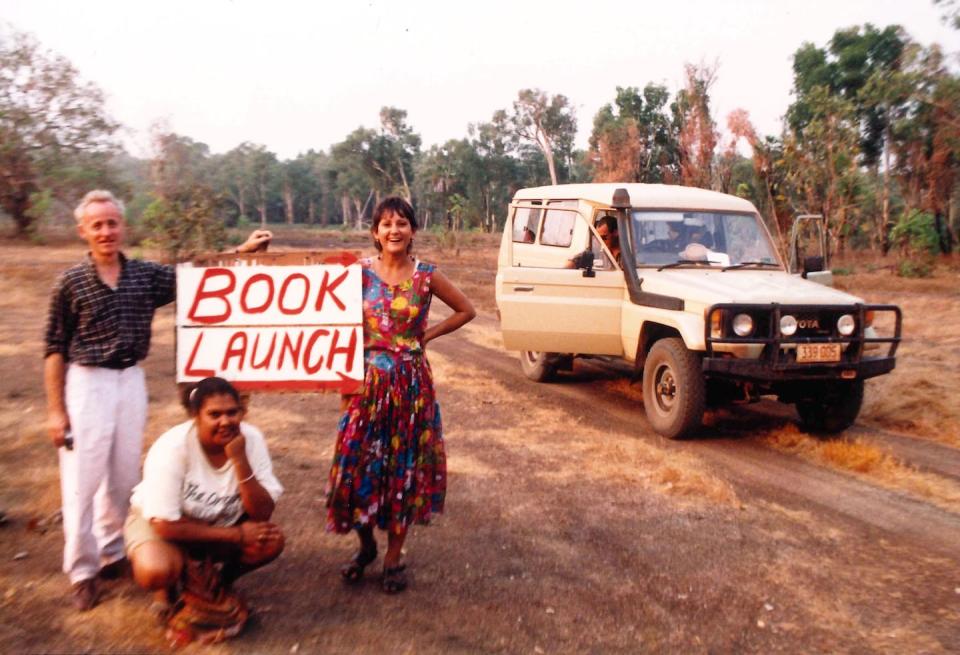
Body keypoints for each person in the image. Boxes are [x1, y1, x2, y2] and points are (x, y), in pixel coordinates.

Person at [43, 189, 272, 611]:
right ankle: (82, 570)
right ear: (83, 231)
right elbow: (55, 347)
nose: (106, 231)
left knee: (123, 472)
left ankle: (114, 553)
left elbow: (193, 276)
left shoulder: (143, 275)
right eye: (97, 225)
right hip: (86, 381)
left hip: (130, 379)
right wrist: (57, 410)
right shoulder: (71, 282)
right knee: (82, 478)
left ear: (122, 227)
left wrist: (239, 250)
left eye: (112, 223)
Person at [326, 196, 476, 594]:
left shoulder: (426, 276)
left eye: (402, 223)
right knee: (354, 467)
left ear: (412, 230)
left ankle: (393, 558)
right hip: (364, 385)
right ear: (375, 232)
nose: (394, 230)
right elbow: (324, 315)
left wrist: (426, 336)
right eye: (386, 224)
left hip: (410, 387)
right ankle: (365, 548)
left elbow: (466, 309)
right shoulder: (355, 274)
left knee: (403, 472)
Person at [125, 377, 284, 645]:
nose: (226, 421)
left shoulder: (251, 439)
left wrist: (240, 460)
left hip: (215, 524)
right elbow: (164, 525)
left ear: (242, 412)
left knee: (270, 541)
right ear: (195, 416)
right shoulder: (172, 447)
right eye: (214, 414)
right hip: (166, 526)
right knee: (155, 569)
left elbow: (263, 511)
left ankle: (216, 584)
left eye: (232, 412)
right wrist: (236, 536)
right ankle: (165, 592)